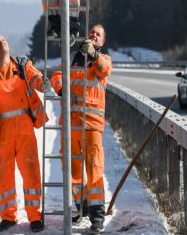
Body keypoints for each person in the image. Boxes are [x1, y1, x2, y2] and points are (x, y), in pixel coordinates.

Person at [51, 24, 112, 233]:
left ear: (101, 42)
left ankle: (97, 217)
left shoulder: (103, 60)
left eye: (98, 34)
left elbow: (104, 69)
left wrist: (94, 55)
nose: (93, 35)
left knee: (94, 169)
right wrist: (61, 89)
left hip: (92, 125)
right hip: (71, 124)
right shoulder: (73, 58)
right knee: (71, 169)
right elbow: (57, 74)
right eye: (92, 32)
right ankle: (83, 205)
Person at [0, 35, 50, 233]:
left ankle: (35, 217)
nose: (1, 42)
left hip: (24, 127)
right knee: (4, 176)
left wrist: (44, 84)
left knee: (31, 173)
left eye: (3, 40)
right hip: (2, 132)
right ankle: (8, 216)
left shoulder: (22, 65)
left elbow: (36, 78)